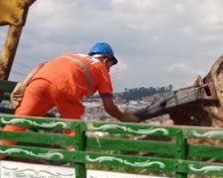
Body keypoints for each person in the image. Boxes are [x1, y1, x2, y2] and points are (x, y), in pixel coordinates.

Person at [11, 42, 139, 122]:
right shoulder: (101, 68)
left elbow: (41, 65)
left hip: (38, 82)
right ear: (106, 60)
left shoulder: (72, 54)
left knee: (19, 121)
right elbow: (109, 106)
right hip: (66, 89)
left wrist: (23, 85)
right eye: (110, 66)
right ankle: (75, 160)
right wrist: (123, 117)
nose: (109, 70)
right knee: (74, 129)